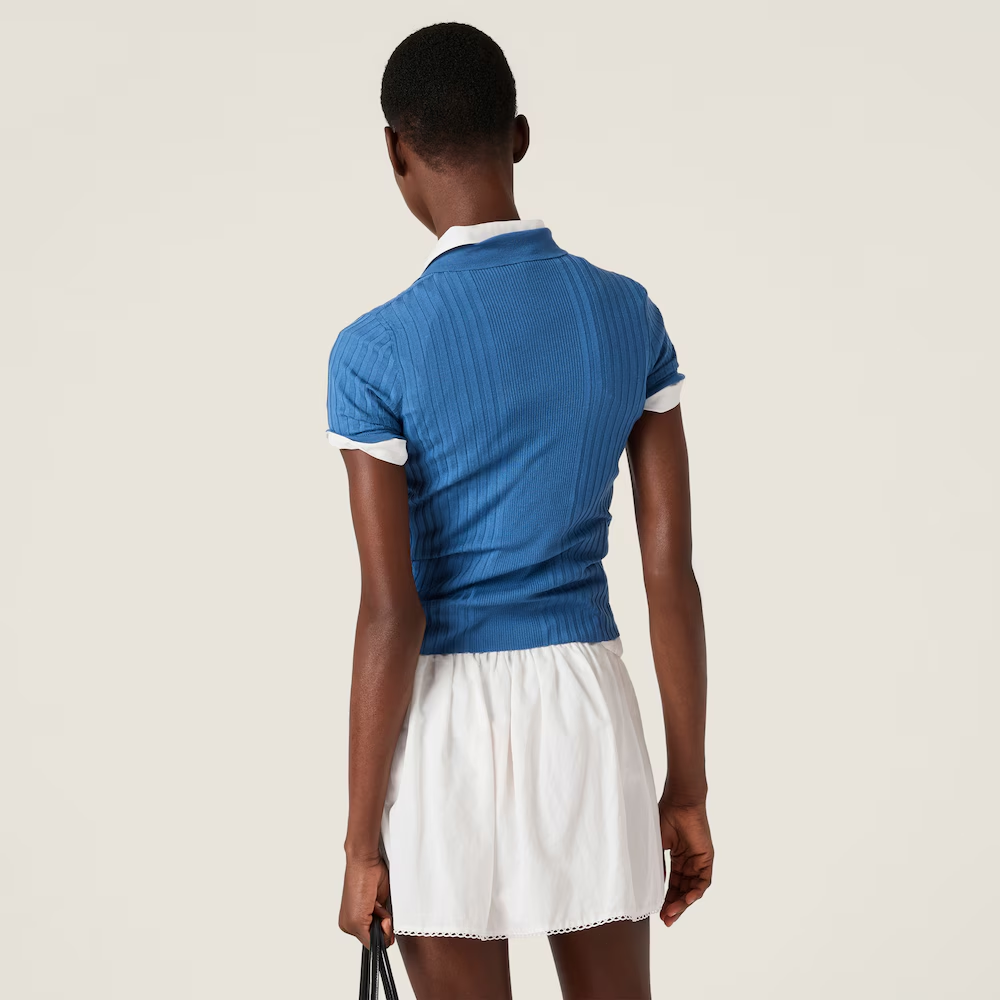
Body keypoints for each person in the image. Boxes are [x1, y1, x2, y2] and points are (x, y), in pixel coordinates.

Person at [327, 21, 712, 1000]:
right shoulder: (627, 315)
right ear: (520, 135)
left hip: (442, 724)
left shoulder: (373, 351)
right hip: (587, 709)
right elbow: (667, 571)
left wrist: (360, 842)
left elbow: (391, 609)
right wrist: (687, 784)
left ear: (395, 151)